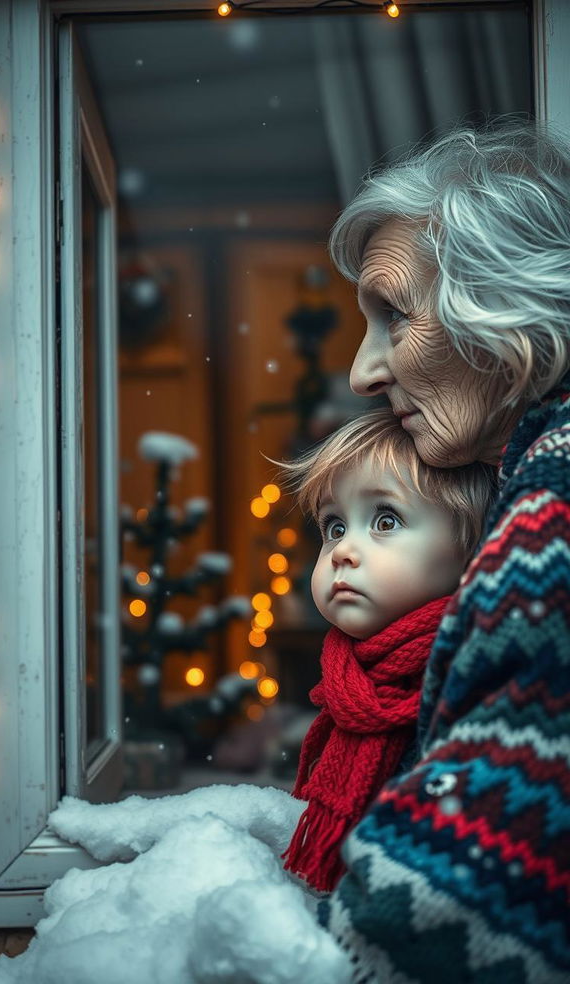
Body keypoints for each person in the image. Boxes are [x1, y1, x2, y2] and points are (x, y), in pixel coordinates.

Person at [318, 120, 570, 983]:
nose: (363, 373)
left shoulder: (552, 514)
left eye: (395, 315)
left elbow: (445, 902)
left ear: (505, 304)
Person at [278, 407, 497, 893]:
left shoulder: (472, 678)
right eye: (334, 526)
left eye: (385, 519)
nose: (343, 551)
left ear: (472, 548)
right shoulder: (349, 677)